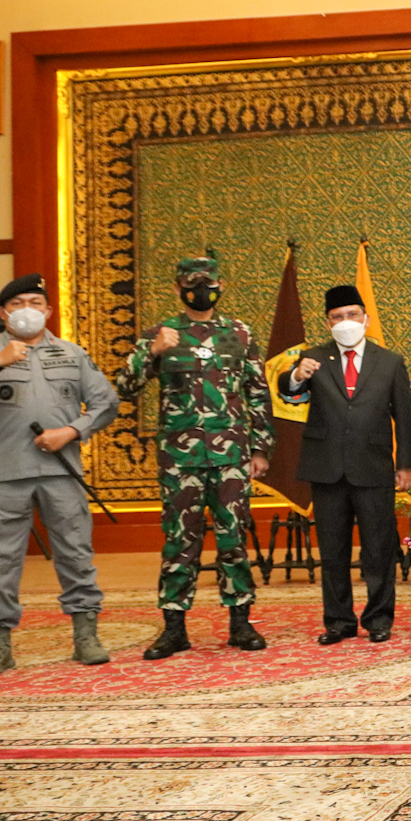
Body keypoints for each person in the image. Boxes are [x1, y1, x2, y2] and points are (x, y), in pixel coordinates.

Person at [0, 273, 118, 676]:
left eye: (35, 303)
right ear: (2, 313)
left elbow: (106, 403)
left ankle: (86, 636)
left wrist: (71, 431)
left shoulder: (71, 353)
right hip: (6, 474)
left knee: (76, 554)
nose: (27, 310)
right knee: (1, 562)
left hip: (61, 473)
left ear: (48, 311)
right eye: (17, 303)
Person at [116, 254, 274, 658]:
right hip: (180, 459)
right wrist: (151, 352)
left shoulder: (239, 334)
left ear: (220, 287)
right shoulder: (160, 334)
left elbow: (257, 393)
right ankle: (174, 628)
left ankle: (240, 623)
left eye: (208, 283)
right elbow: (125, 386)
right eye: (192, 284)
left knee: (233, 538)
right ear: (177, 288)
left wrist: (260, 449)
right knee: (179, 541)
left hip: (231, 456)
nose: (201, 290)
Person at [280, 283, 411, 645]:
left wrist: (406, 464)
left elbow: (405, 418)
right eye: (337, 317)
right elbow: (287, 391)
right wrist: (297, 375)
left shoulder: (389, 362)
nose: (345, 321)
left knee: (379, 548)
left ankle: (378, 619)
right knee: (333, 550)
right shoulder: (312, 358)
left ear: (365, 318)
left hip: (373, 467)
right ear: (328, 323)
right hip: (326, 469)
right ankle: (338, 621)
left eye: (352, 315)